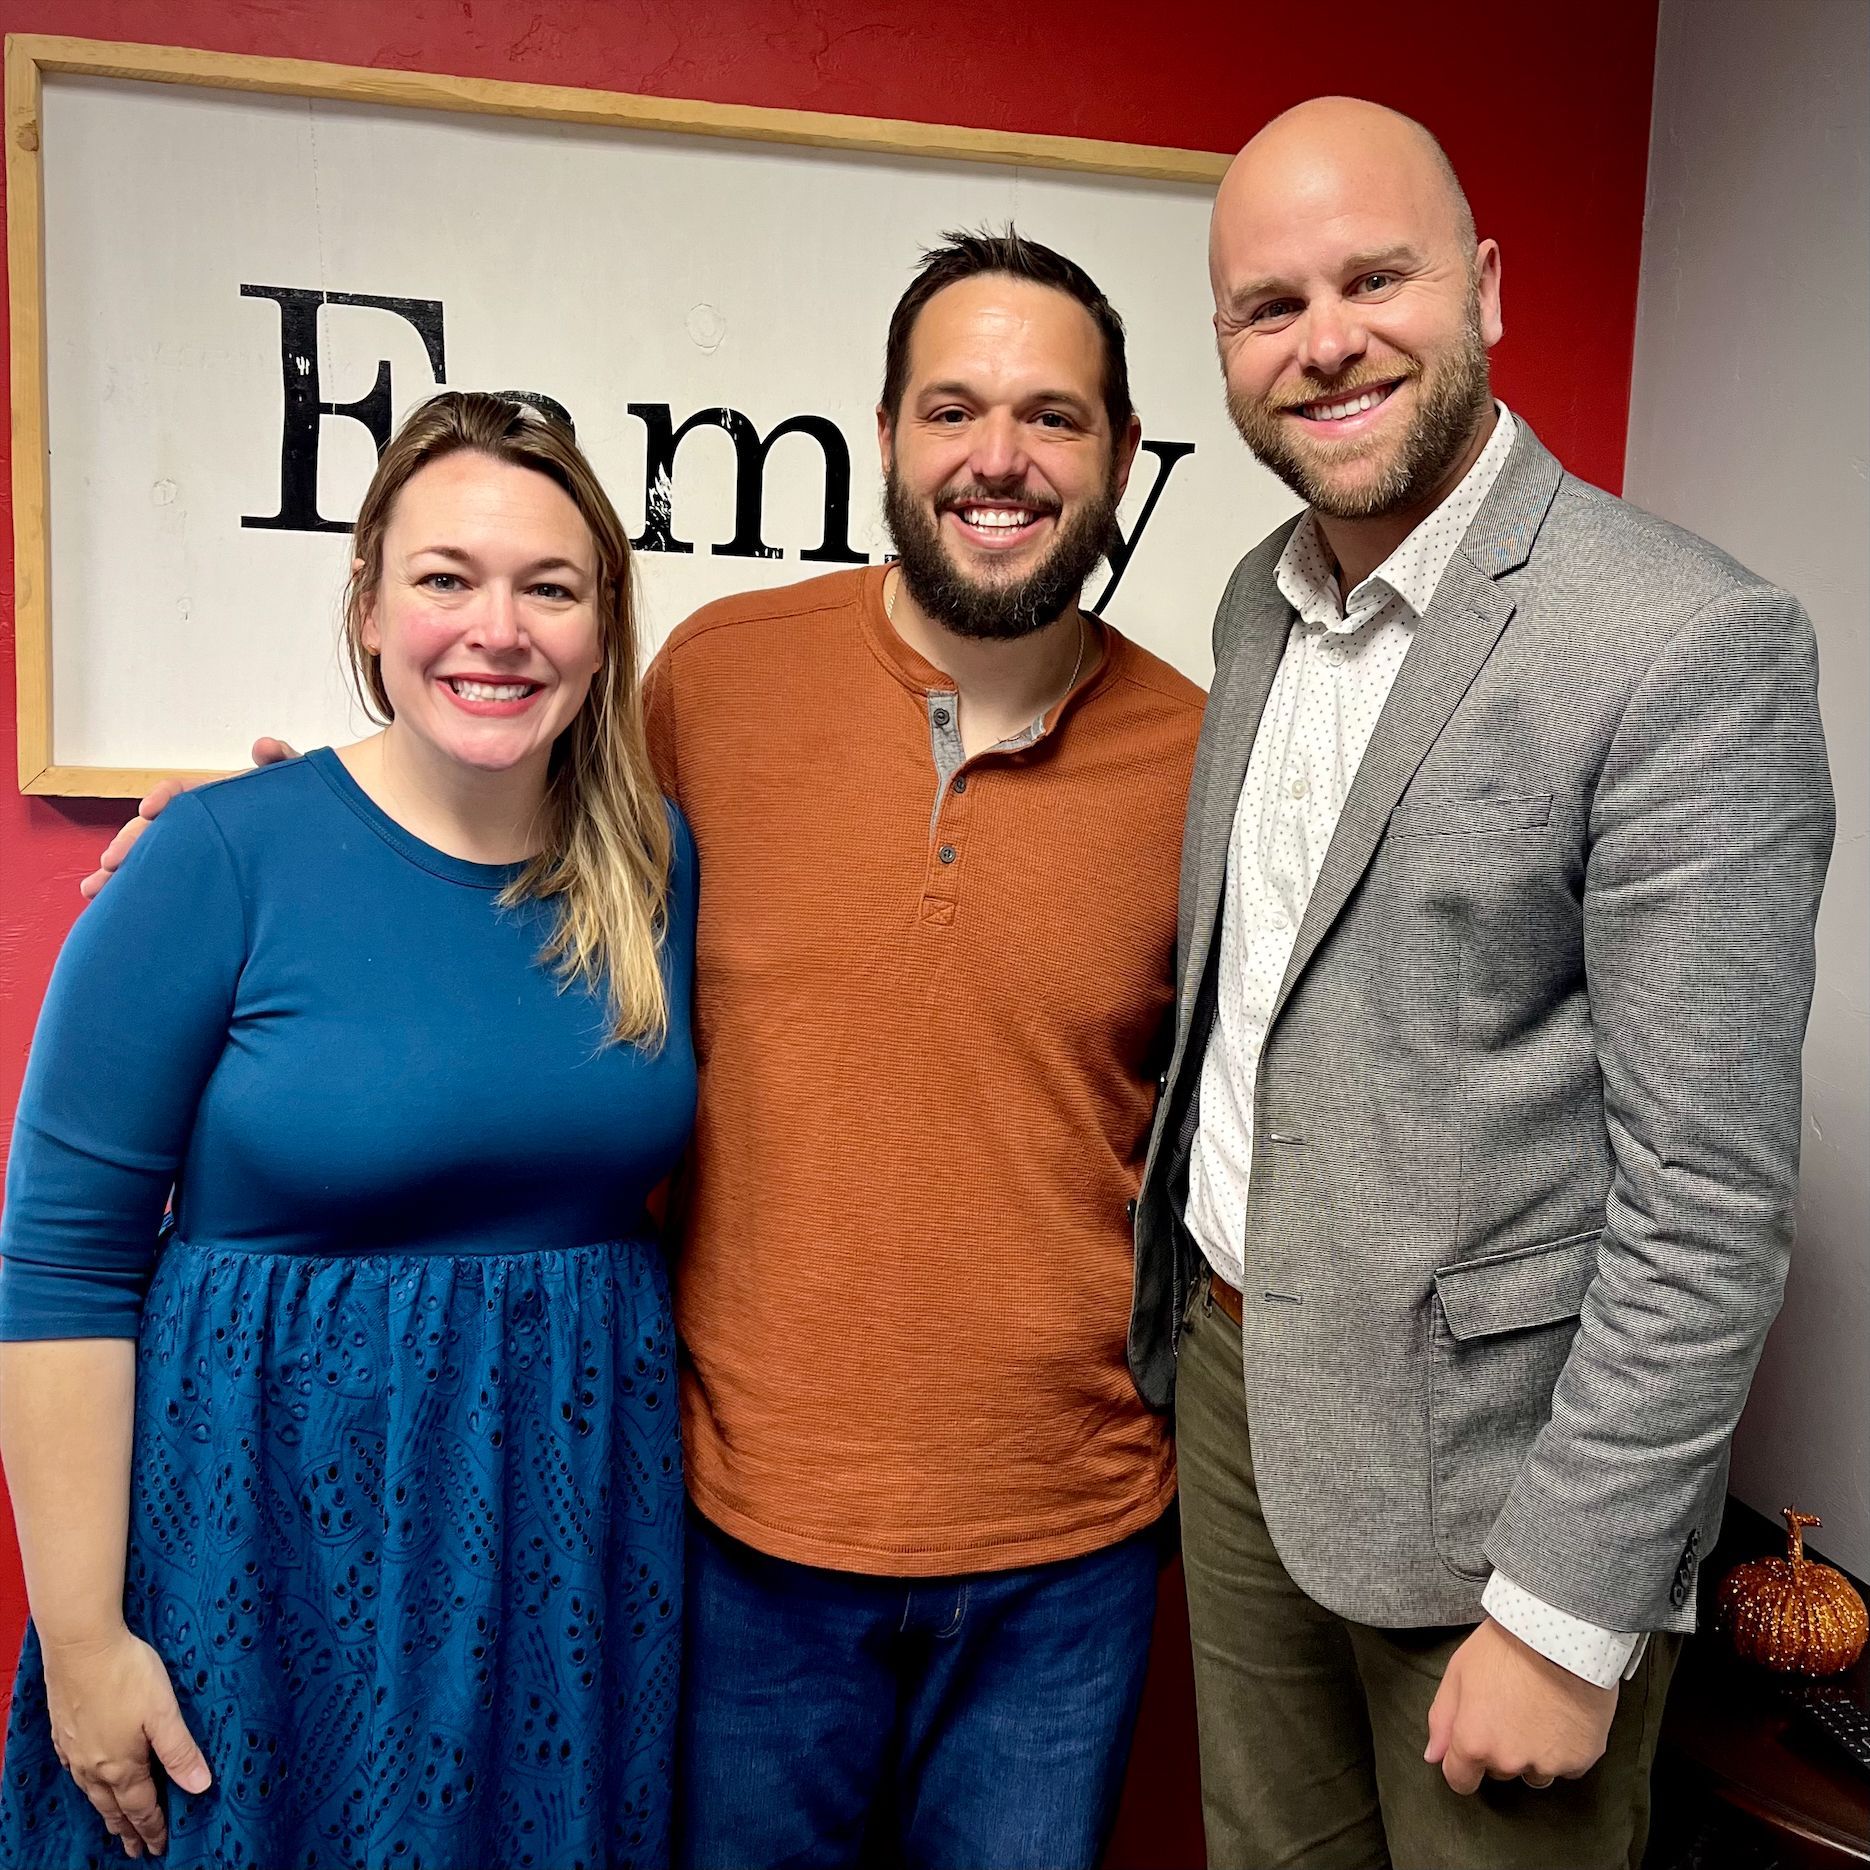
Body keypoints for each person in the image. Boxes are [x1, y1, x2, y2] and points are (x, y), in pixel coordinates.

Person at [84, 231, 1203, 1870]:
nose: (999, 456)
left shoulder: (1204, 752)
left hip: (1070, 1542)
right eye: (951, 406)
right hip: (739, 1528)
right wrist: (254, 832)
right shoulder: (720, 678)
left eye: (1055, 415)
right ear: (884, 434)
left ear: (1120, 456)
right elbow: (493, 800)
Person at [1128, 97, 1835, 1869]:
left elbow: (1710, 1199)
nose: (1326, 340)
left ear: (1490, 286)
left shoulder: (1681, 641)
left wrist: (1567, 1611)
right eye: (1268, 306)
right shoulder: (1249, 601)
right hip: (1236, 1397)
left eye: (1377, 277)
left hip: (1500, 1496)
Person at [0, 392, 697, 1869]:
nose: (495, 629)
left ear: (603, 622)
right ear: (369, 603)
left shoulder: (651, 865)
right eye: (445, 578)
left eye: (548, 587)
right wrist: (81, 1640)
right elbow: (61, 1264)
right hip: (262, 1550)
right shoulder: (216, 856)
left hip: (559, 1553)